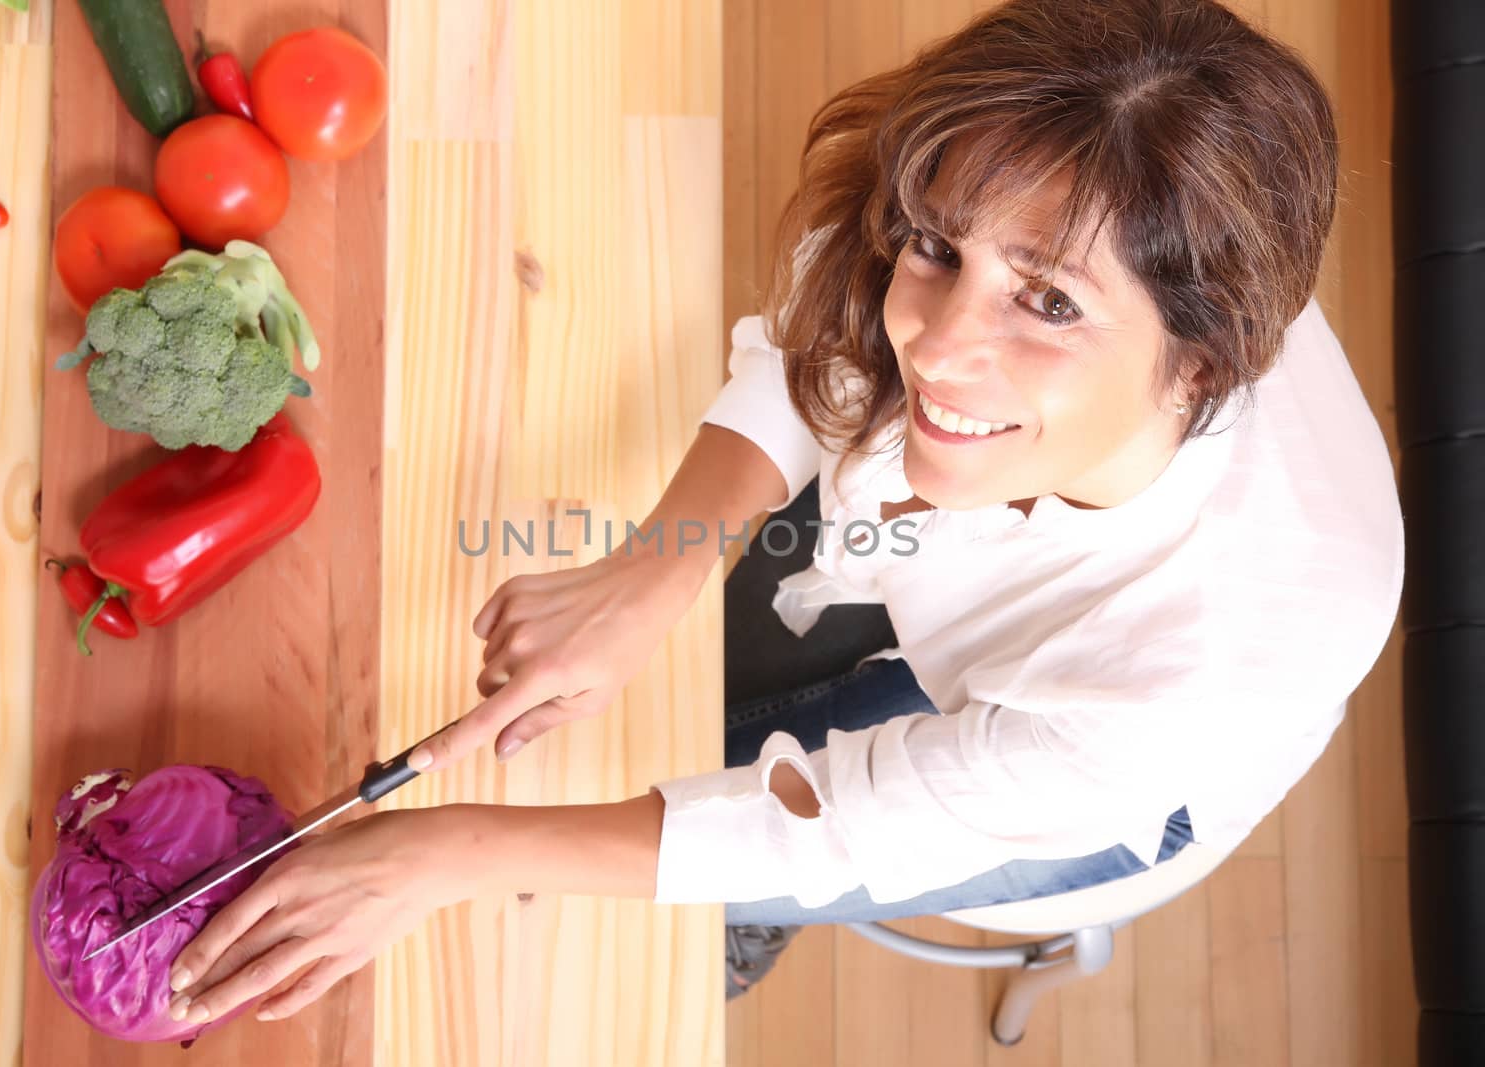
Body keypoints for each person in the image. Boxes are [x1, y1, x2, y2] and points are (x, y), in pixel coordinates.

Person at [158, 0, 1403, 1025]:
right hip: (963, 585)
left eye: (1049, 306)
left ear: (1204, 364)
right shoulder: (1081, 267)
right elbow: (842, 328)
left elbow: (848, 823)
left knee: (792, 833)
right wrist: (656, 566)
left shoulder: (1198, 669)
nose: (938, 345)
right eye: (935, 246)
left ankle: (744, 921)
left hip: (1094, 788)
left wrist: (440, 855)